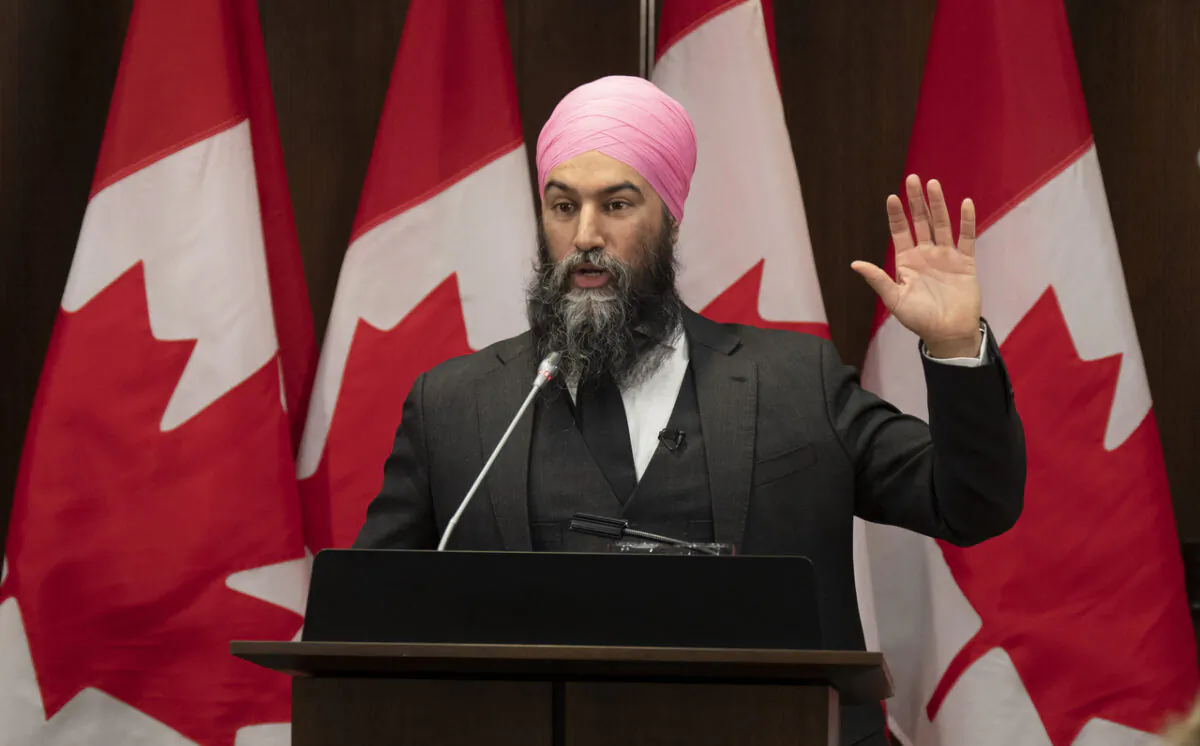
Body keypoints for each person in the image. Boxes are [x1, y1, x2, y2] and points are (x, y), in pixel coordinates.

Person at [354, 75, 1026, 746]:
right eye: (562, 206)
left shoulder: (796, 381)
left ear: (671, 217)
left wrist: (954, 345)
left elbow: (971, 504)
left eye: (617, 204)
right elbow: (362, 620)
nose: (585, 234)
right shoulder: (455, 404)